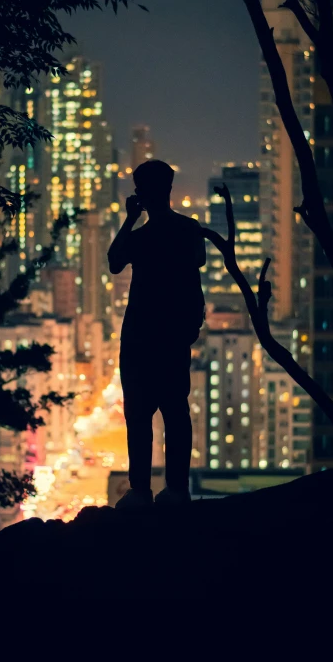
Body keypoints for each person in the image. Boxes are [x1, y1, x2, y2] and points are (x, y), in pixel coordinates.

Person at [108, 160, 206, 508]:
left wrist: (130, 218)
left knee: (142, 415)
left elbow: (115, 259)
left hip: (143, 336)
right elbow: (196, 271)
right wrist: (192, 324)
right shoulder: (187, 229)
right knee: (171, 412)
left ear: (145, 193)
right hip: (166, 336)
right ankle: (173, 489)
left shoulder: (147, 236)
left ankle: (143, 490)